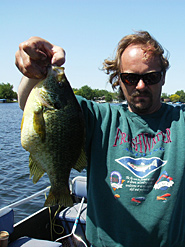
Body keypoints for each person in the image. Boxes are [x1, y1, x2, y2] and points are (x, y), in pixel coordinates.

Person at [15, 31, 185, 247]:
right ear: (119, 79)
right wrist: (36, 68)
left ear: (163, 76)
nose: (140, 86)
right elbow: (28, 104)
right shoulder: (98, 118)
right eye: (130, 78)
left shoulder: (181, 121)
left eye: (150, 77)